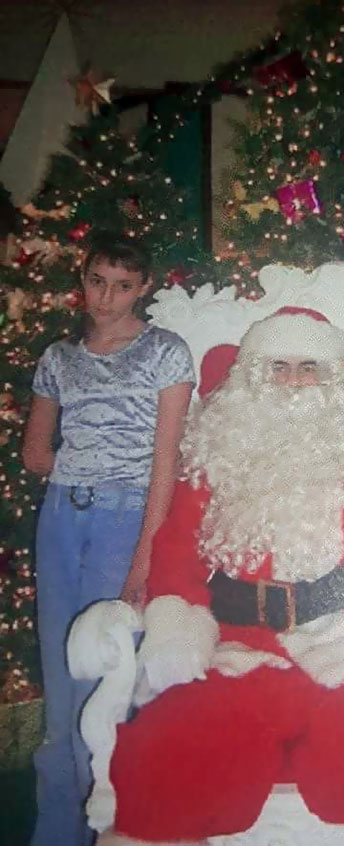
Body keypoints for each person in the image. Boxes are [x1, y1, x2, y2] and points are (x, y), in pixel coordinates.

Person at [83, 308, 344, 846]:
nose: (293, 382)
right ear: (253, 377)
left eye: (308, 368)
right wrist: (178, 628)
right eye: (279, 367)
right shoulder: (212, 470)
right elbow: (175, 555)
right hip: (242, 651)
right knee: (167, 744)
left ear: (332, 383)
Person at [22, 230, 196, 846]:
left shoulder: (165, 352)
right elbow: (35, 451)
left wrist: (144, 552)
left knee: (104, 672)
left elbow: (165, 461)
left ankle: (112, 827)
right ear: (83, 279)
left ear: (144, 288)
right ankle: (56, 829)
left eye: (123, 286)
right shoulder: (59, 357)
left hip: (125, 515)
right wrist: (77, 466)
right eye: (98, 281)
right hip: (63, 516)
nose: (107, 296)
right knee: (60, 667)